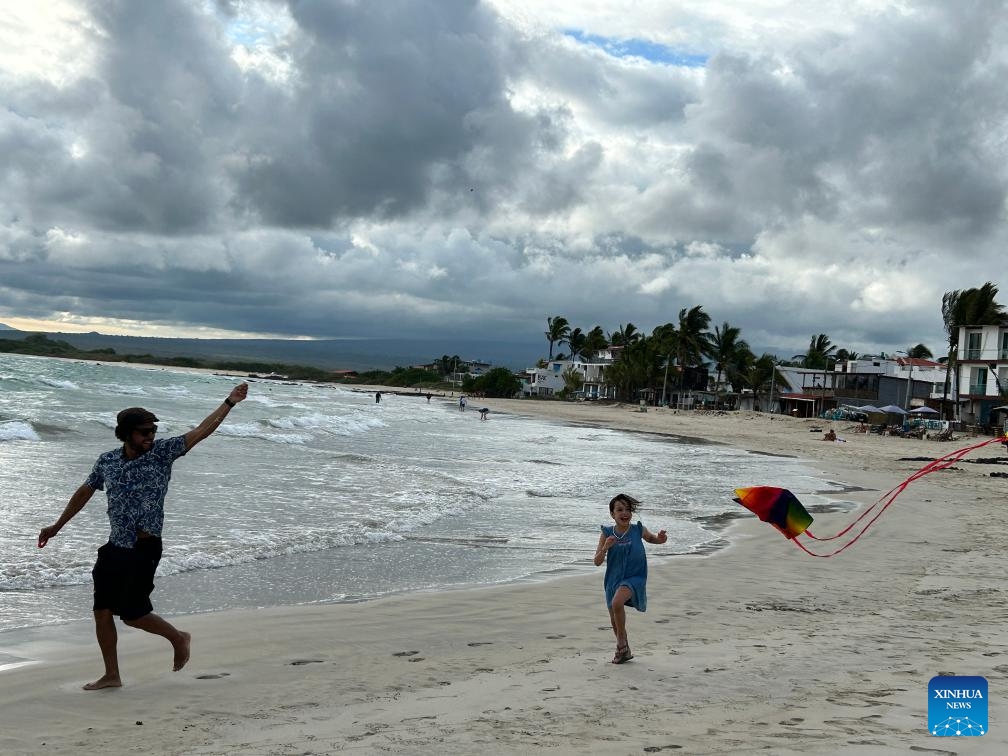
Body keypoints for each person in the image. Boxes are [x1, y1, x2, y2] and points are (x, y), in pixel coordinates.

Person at [38, 383, 249, 690]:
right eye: (143, 432)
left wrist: (230, 402)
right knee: (102, 611)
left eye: (152, 431)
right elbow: (85, 491)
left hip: (144, 546)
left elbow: (203, 429)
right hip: (115, 547)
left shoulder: (163, 453)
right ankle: (112, 675)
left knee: (134, 615)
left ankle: (179, 638)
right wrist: (57, 526)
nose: (150, 437)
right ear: (125, 434)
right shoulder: (107, 460)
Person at [593, 493, 667, 664]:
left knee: (617, 603)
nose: (624, 513)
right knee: (614, 619)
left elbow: (652, 539)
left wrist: (661, 539)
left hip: (635, 576)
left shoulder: (637, 529)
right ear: (612, 514)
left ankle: (620, 642)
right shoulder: (607, 533)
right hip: (613, 579)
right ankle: (624, 651)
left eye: (628, 509)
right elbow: (597, 562)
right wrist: (605, 547)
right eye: (620, 509)